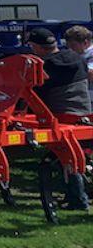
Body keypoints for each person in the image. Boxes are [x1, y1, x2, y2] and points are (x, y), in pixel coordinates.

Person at [27, 28, 91, 210]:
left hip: (62, 119)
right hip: (85, 115)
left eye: (31, 46)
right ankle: (74, 196)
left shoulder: (43, 67)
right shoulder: (76, 58)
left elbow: (34, 98)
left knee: (64, 157)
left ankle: (78, 200)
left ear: (37, 47)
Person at [63, 26, 93, 99]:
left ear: (85, 43)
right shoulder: (73, 54)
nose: (70, 49)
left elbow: (91, 74)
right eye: (68, 46)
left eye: (73, 45)